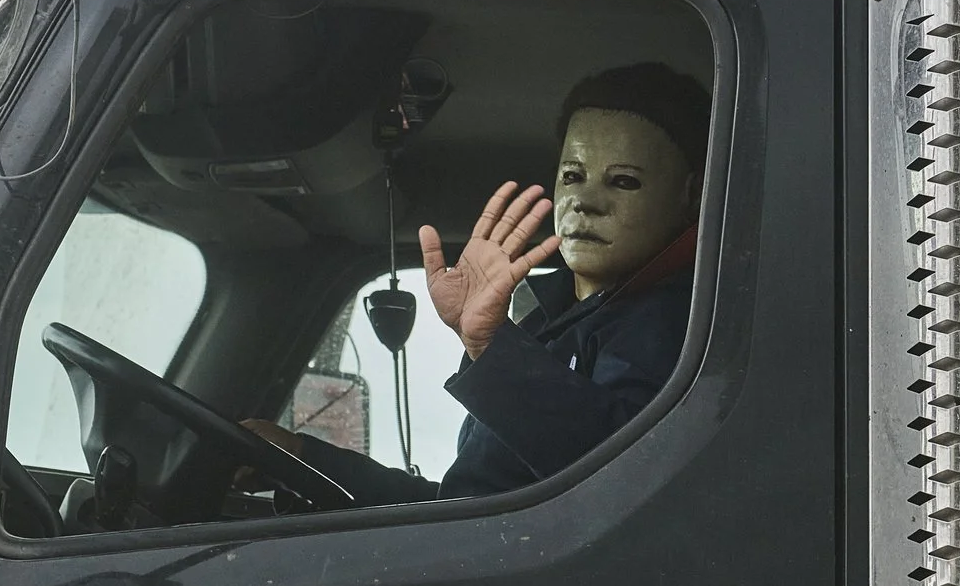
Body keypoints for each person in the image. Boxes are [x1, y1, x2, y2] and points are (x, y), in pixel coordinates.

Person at [250, 62, 708, 503]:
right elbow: (465, 507)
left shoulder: (679, 322)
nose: (585, 201)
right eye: (572, 175)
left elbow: (628, 481)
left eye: (624, 181)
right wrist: (302, 458)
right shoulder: (549, 323)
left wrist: (492, 348)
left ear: (690, 196)